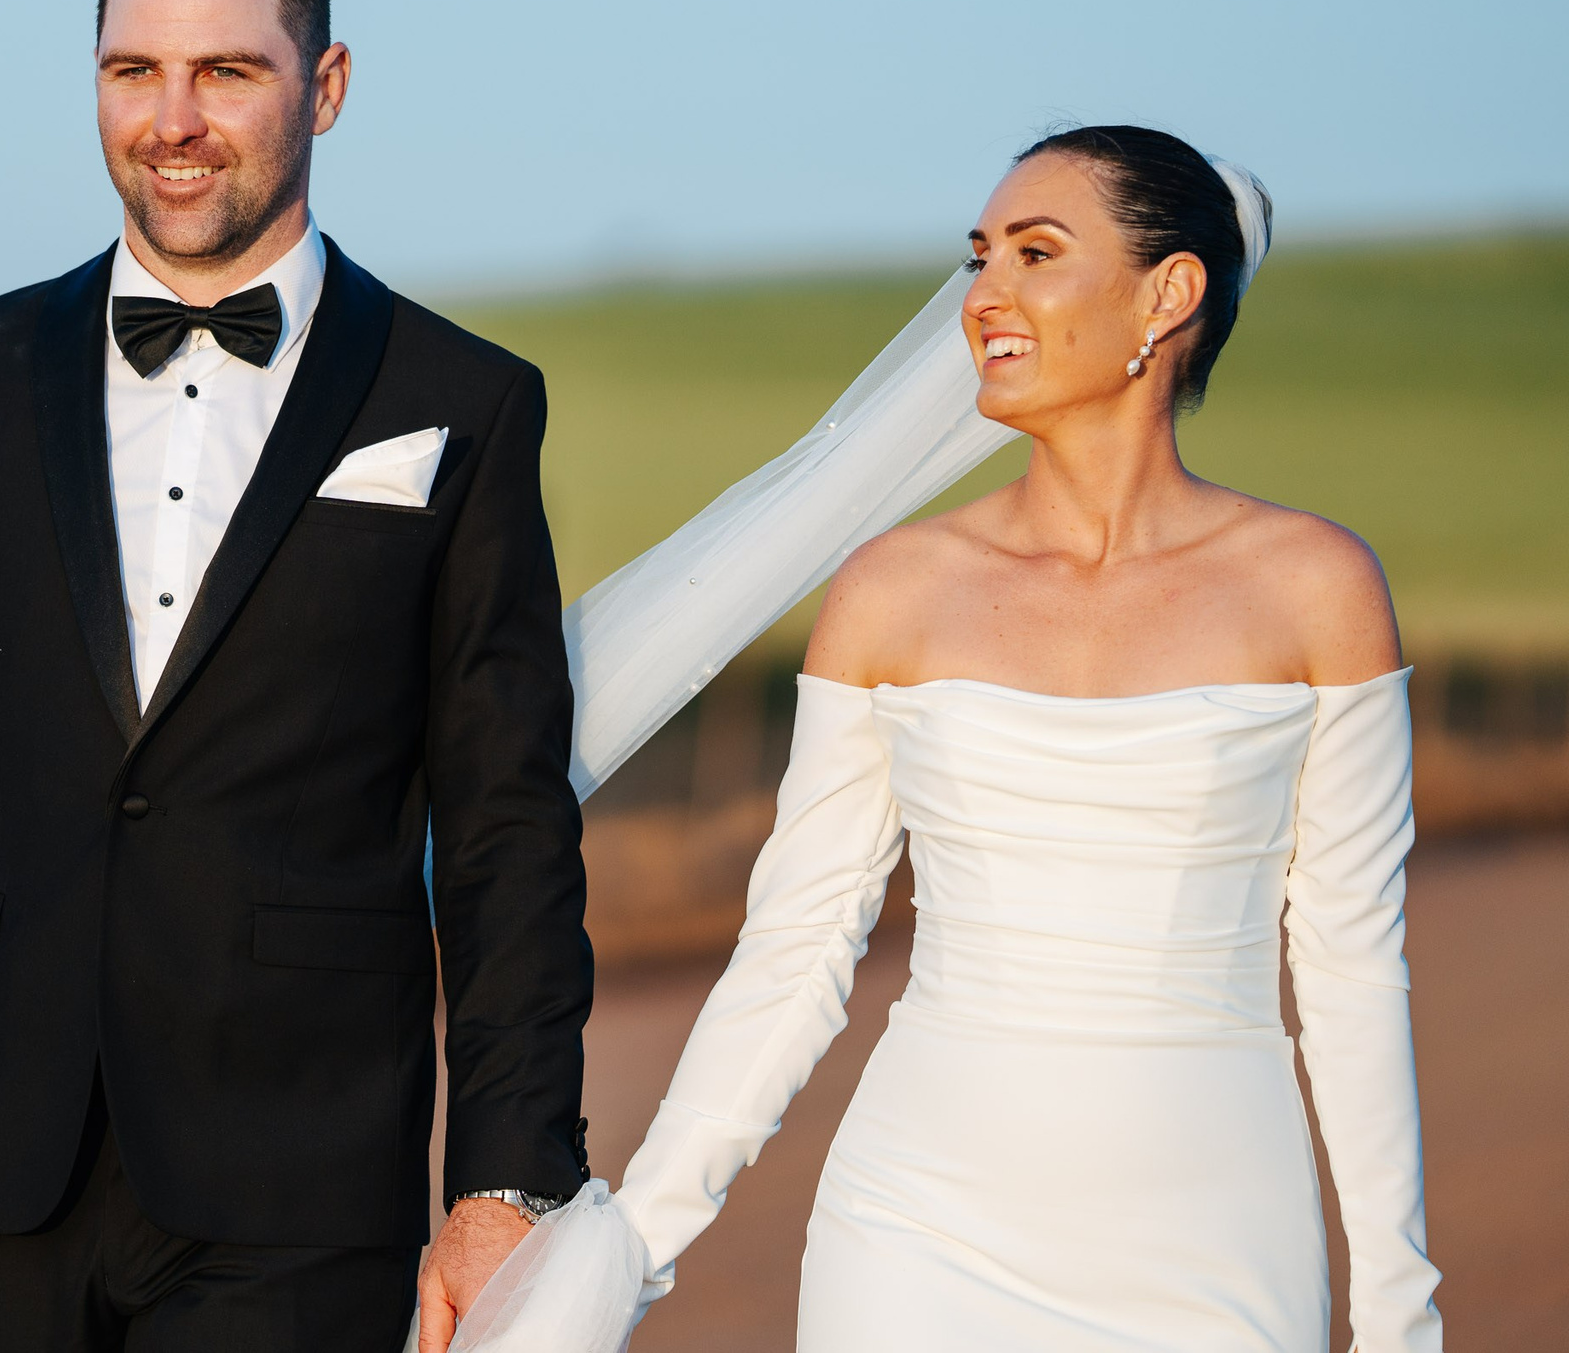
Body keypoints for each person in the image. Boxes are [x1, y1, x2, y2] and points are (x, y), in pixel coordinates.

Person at [0, 0, 592, 1353]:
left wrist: (503, 1181)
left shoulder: (461, 403)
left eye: (227, 70)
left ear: (329, 83)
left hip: (301, 1177)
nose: (172, 118)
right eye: (133, 71)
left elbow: (504, 826)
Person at [586, 126, 1441, 1350]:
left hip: (1215, 1231)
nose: (982, 294)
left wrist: (1401, 1312)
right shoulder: (893, 590)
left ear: (1170, 291)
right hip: (916, 1230)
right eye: (979, 255)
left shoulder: (1314, 588)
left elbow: (1353, 968)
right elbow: (798, 948)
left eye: (1035, 253)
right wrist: (632, 1246)